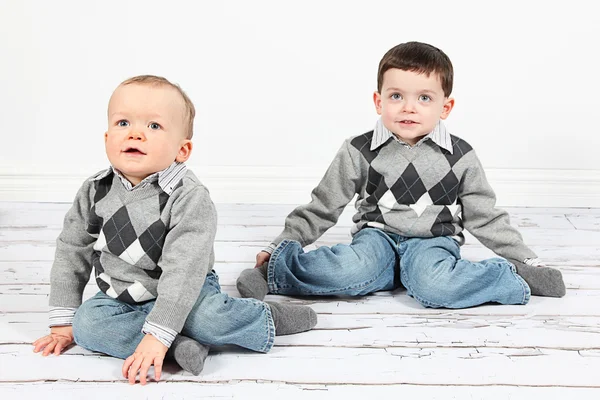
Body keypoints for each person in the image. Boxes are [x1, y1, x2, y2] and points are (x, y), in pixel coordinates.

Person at [33, 75, 318, 385]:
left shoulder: (188, 197)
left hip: (188, 287)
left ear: (182, 151)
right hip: (122, 294)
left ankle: (263, 318)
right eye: (123, 123)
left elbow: (183, 270)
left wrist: (158, 331)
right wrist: (62, 323)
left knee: (207, 319)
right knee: (86, 324)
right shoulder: (95, 191)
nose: (136, 134)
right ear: (106, 139)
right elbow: (71, 250)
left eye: (154, 126)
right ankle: (177, 346)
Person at [237, 41, 566, 308]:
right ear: (379, 101)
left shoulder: (460, 155)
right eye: (397, 96)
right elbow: (324, 205)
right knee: (348, 270)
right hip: (376, 238)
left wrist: (527, 258)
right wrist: (278, 244)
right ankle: (274, 271)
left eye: (424, 98)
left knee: (436, 287)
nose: (409, 107)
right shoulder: (359, 149)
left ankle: (514, 277)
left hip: (433, 242)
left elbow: (485, 217)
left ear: (445, 107)